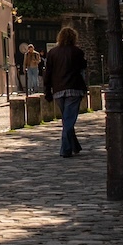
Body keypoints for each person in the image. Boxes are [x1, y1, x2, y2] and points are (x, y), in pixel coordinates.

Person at [42, 26, 89, 158]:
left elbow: (48, 73)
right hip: (74, 88)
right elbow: (82, 67)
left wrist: (47, 91)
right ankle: (65, 149)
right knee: (69, 120)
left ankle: (74, 146)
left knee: (67, 119)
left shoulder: (52, 53)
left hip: (58, 89)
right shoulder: (77, 52)